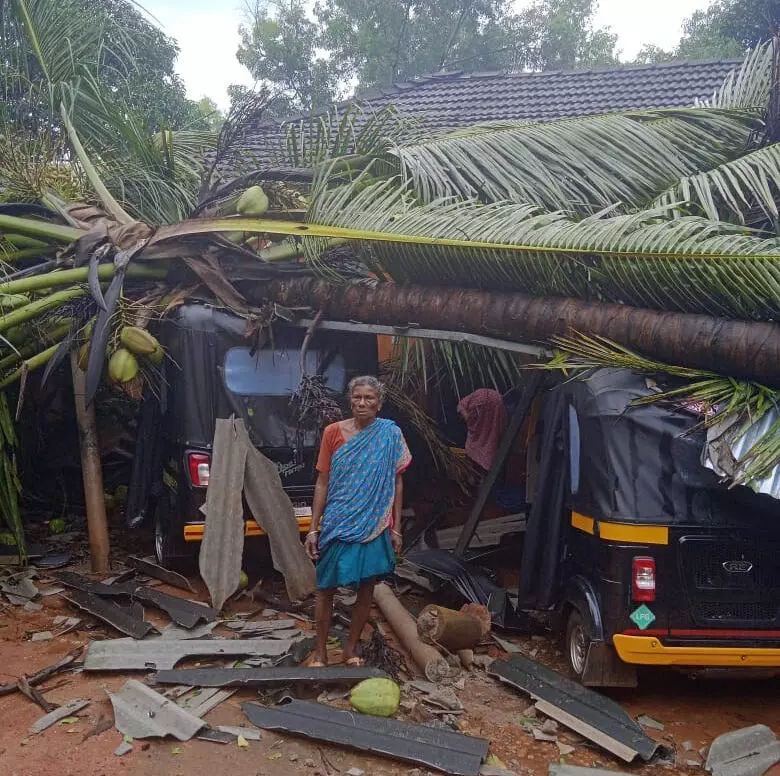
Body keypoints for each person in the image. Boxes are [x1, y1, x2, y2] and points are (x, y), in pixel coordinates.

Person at [305, 375, 411, 666]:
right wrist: (314, 527)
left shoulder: (390, 435)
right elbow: (322, 481)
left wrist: (396, 527)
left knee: (367, 587)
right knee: (325, 586)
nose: (362, 403)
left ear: (379, 403)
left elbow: (396, 483)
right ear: (349, 400)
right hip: (338, 521)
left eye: (369, 398)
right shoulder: (333, 433)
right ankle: (321, 650)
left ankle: (351, 648)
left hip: (374, 522)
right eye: (357, 397)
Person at [457, 388, 508, 472]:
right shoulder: (495, 401)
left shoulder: (476, 401)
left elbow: (462, 407)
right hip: (489, 454)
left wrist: (468, 418)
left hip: (480, 454)